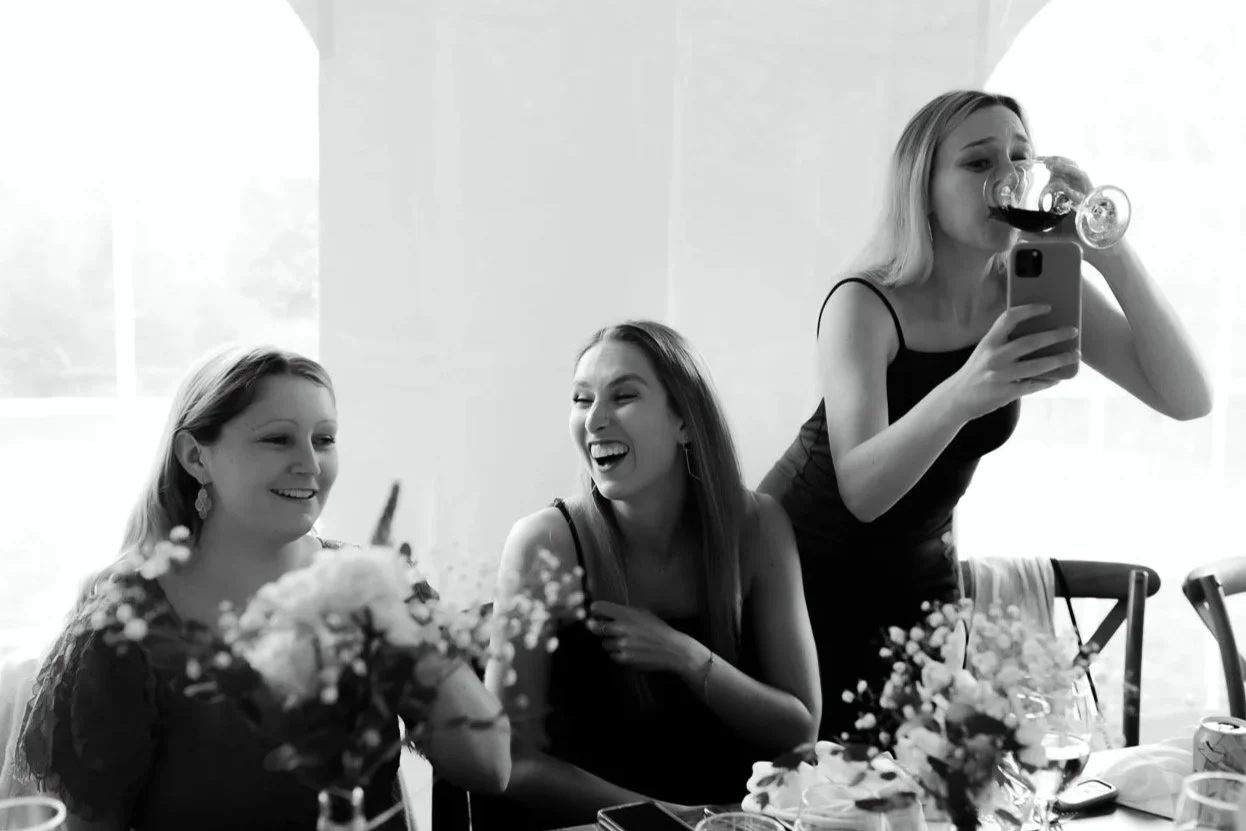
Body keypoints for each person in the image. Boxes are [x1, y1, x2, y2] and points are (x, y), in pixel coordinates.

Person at [758, 89, 1212, 741]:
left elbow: (1187, 397)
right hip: (801, 567)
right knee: (812, 785)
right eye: (977, 163)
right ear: (924, 189)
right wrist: (969, 387)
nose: (1007, 174)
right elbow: (862, 489)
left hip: (919, 576)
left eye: (1020, 156)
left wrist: (1106, 245)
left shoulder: (1025, 285)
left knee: (915, 789)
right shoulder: (864, 302)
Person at [15, 345, 512, 831]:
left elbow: (490, 769)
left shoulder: (377, 585)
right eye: (278, 439)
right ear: (195, 456)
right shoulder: (128, 624)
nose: (311, 465)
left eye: (324, 439)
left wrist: (396, 617)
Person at [478, 321, 820, 830]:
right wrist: (666, 819)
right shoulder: (544, 543)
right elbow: (508, 758)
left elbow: (798, 732)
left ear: (684, 419)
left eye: (623, 396)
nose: (594, 419)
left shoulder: (759, 527)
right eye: (581, 399)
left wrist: (687, 656)